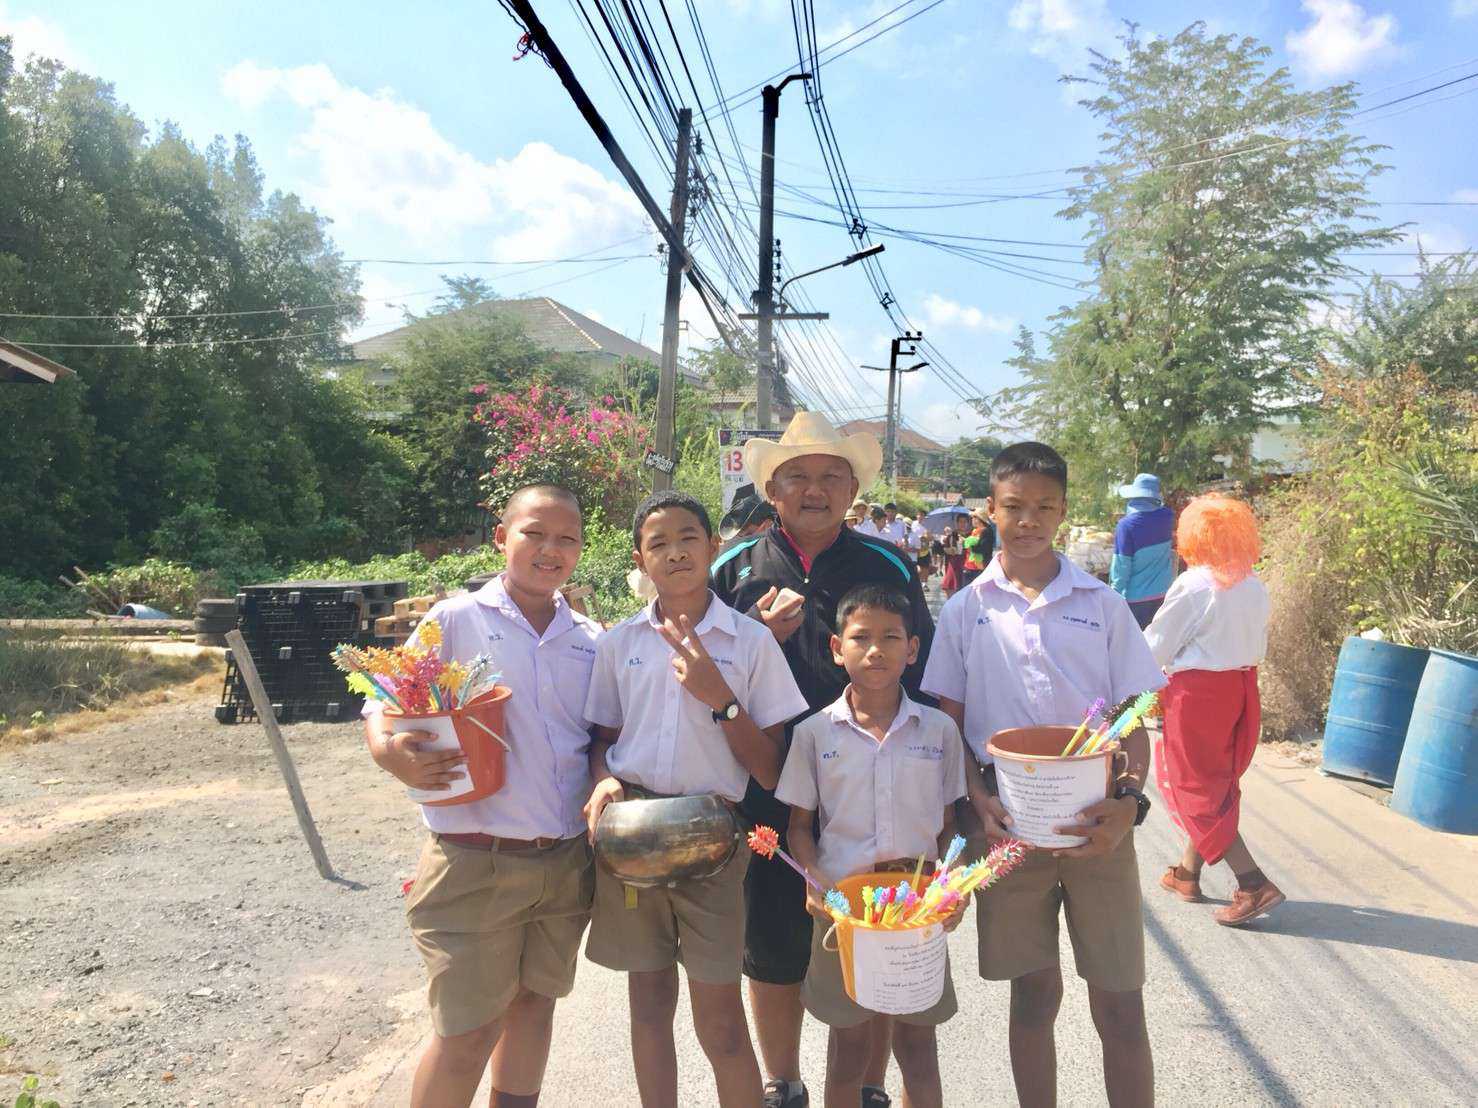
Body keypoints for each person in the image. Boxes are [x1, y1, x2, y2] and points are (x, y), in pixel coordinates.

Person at [922, 443, 1166, 1108]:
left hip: (1098, 827)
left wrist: (1128, 801)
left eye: (1044, 506)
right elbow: (948, 727)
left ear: (1063, 510)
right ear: (990, 509)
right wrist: (976, 800)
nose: (1028, 520)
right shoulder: (965, 611)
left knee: (1120, 1002)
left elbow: (1133, 715)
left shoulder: (1102, 605)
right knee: (1033, 995)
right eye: (1014, 506)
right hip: (1007, 830)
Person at [710, 412, 935, 1108]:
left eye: (831, 476)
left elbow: (922, 673)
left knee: (873, 935)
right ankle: (782, 1081)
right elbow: (697, 678)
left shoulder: (888, 565)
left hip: (870, 780)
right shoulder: (732, 569)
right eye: (798, 477)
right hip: (765, 782)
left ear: (852, 490)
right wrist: (752, 637)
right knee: (772, 941)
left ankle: (867, 1084)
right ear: (771, 490)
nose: (815, 490)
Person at [364, 484, 600, 1108]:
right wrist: (389, 751)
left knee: (534, 1008)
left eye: (566, 539)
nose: (550, 549)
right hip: (474, 860)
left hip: (562, 862)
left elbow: (599, 739)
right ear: (501, 538)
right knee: (467, 1032)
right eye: (534, 533)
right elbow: (382, 702)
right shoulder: (455, 620)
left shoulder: (588, 639)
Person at [583, 491, 809, 1108]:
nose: (676, 552)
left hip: (713, 840)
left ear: (713, 547)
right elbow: (602, 741)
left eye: (688, 538)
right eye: (658, 543)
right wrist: (602, 778)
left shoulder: (750, 642)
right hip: (632, 837)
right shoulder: (619, 643)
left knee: (721, 1019)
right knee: (649, 1005)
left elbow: (770, 769)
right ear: (640, 560)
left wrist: (721, 699)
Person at [779, 584, 967, 1108]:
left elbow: (949, 825)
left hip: (917, 911)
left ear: (913, 649)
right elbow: (799, 827)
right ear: (837, 648)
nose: (876, 650)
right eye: (861, 637)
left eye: (891, 637)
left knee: (918, 1048)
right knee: (849, 1050)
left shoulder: (939, 730)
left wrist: (953, 883)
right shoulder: (814, 734)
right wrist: (813, 878)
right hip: (846, 909)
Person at [1146, 495, 1283, 927]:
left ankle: (1253, 883)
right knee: (1216, 783)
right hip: (1240, 687)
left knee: (1195, 787)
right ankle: (1187, 874)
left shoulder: (1195, 584)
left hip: (1197, 692)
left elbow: (1156, 646)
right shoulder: (1253, 583)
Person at [1110, 473, 1177, 629]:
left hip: (1135, 600)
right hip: (1163, 595)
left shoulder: (1126, 525)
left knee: (1134, 641)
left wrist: (1112, 596)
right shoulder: (1167, 517)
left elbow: (1121, 567)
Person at [958, 512, 991, 589]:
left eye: (974, 518)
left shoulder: (986, 531)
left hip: (979, 567)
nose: (972, 520)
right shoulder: (974, 531)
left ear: (980, 519)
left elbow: (982, 549)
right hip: (969, 566)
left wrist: (966, 542)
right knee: (967, 591)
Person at [938, 527, 965, 598]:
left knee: (959, 584)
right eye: (960, 522)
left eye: (964, 522)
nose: (962, 525)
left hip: (963, 562)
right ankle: (950, 601)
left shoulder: (968, 535)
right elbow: (947, 549)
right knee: (950, 583)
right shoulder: (950, 537)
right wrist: (951, 548)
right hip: (953, 562)